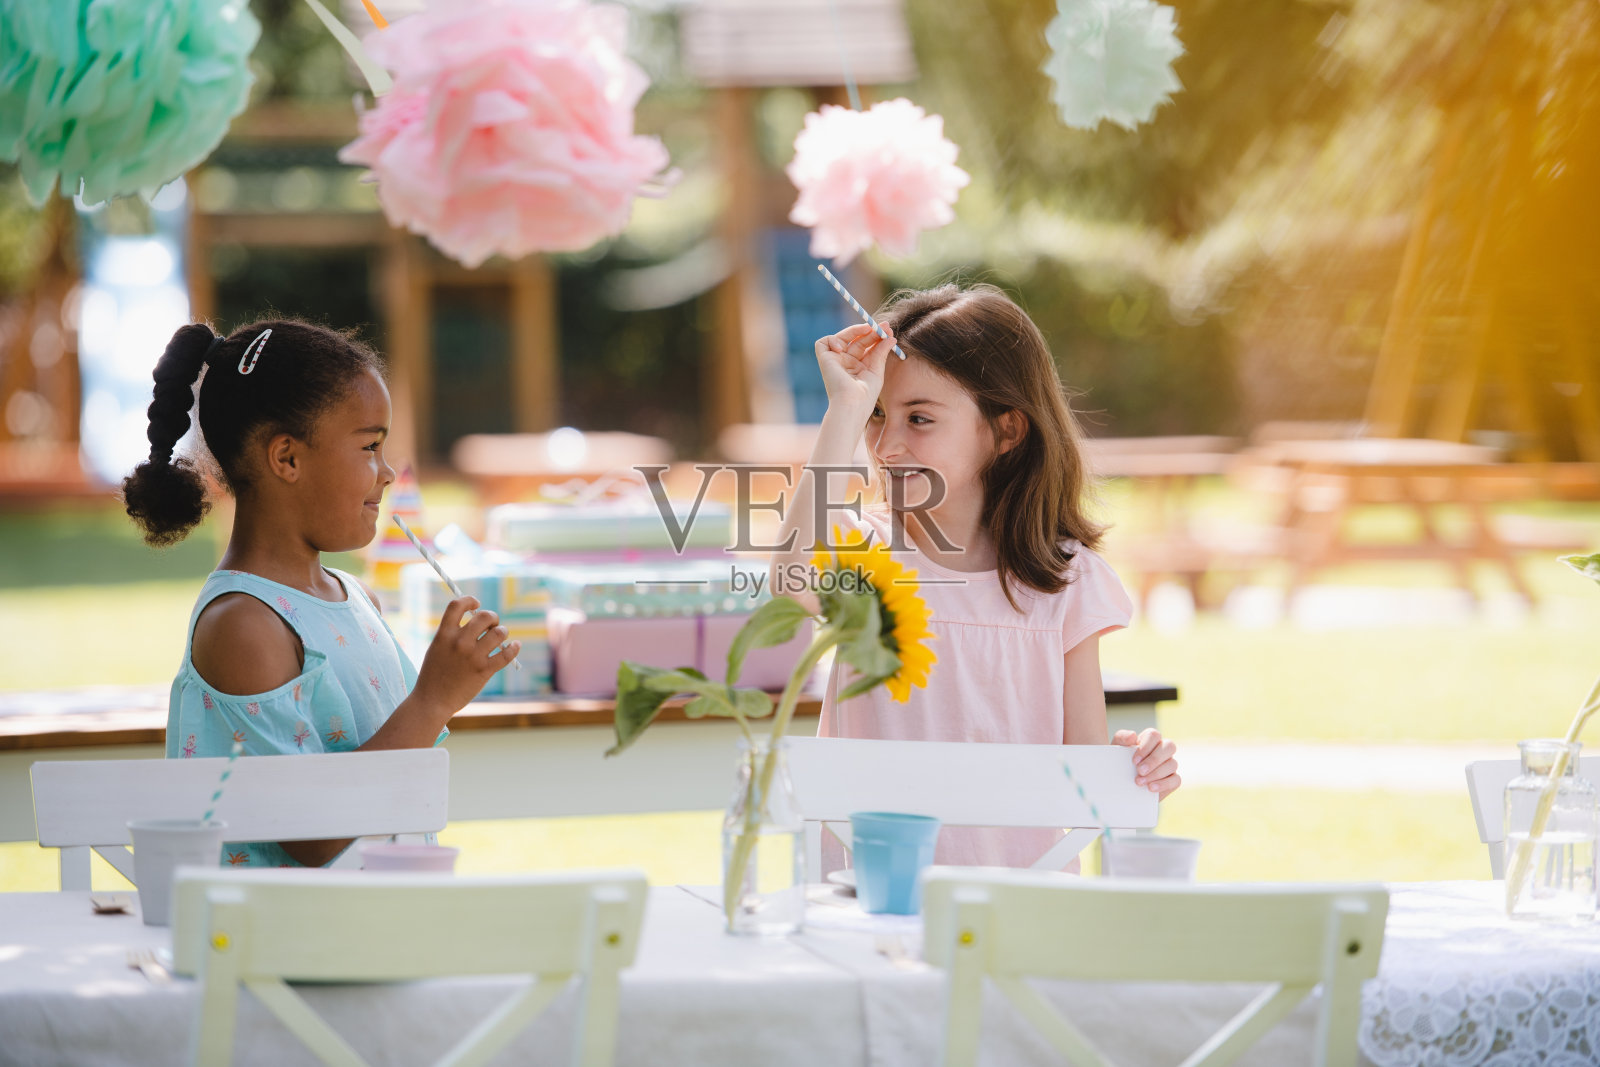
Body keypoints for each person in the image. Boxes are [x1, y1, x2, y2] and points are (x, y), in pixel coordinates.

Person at [771, 284, 1180, 868]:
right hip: (869, 905)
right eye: (878, 416)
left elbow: (1085, 766)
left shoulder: (1065, 582)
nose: (887, 444)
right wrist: (844, 408)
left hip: (1019, 906)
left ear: (1007, 430)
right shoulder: (867, 554)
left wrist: (1133, 762)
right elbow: (790, 582)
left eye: (919, 418)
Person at [122, 320, 518, 867]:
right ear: (287, 458)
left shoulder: (356, 599)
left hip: (370, 930)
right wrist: (433, 699)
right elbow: (312, 835)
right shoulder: (244, 625)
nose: (386, 475)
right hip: (281, 942)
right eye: (370, 447)